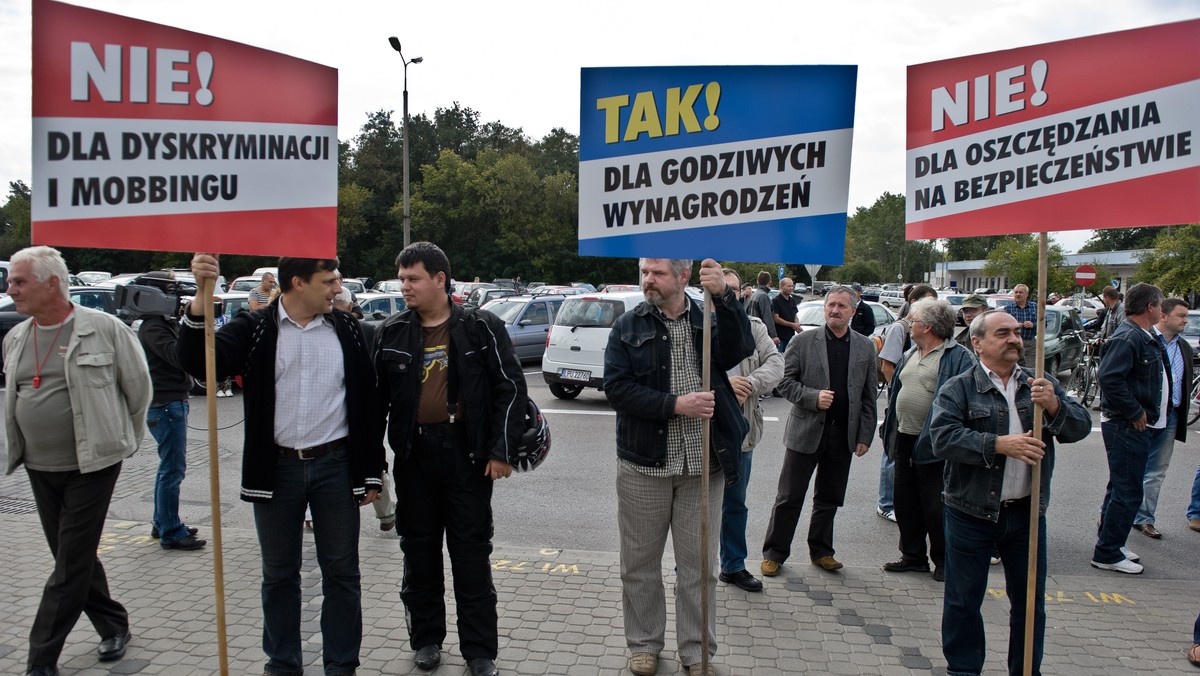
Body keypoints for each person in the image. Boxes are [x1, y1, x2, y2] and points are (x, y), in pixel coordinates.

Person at [179, 254, 383, 676]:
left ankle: (342, 664)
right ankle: (283, 662)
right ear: (297, 283)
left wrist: (371, 470)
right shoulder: (256, 328)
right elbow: (198, 363)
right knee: (278, 575)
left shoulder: (347, 329)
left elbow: (368, 405)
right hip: (276, 470)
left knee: (343, 574)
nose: (337, 290)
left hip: (336, 466)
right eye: (329, 282)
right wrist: (202, 296)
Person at [375, 242, 527, 676]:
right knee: (418, 554)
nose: (404, 286)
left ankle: (479, 652)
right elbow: (374, 404)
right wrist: (373, 465)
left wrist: (500, 451)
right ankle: (426, 641)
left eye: (413, 278)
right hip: (414, 457)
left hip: (467, 455)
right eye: (401, 278)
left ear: (440, 279)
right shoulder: (392, 331)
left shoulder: (481, 327)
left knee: (471, 556)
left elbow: (511, 390)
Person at [4, 246, 151, 676]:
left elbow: (138, 389)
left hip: (93, 465)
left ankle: (41, 660)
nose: (11, 289)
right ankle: (113, 623)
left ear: (52, 283)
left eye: (19, 281)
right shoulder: (16, 335)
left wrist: (120, 439)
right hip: (38, 465)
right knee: (72, 558)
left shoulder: (103, 328)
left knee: (69, 565)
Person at [604, 257, 752, 676]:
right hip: (643, 466)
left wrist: (724, 295)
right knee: (638, 565)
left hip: (704, 464)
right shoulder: (627, 326)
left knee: (699, 567)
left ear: (683, 277)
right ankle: (645, 644)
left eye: (657, 273)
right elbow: (616, 389)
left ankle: (696, 649)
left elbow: (740, 347)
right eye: (644, 273)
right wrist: (675, 405)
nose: (647, 280)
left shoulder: (709, 316)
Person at [930, 310, 1089, 676]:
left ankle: (1026, 670)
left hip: (1028, 514)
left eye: (1017, 332)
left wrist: (1053, 405)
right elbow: (941, 439)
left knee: (1031, 604)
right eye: (1003, 333)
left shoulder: (1040, 383)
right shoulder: (960, 386)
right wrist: (997, 444)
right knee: (963, 601)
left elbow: (1078, 427)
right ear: (978, 342)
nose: (1015, 339)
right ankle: (964, 671)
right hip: (970, 512)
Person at [762, 285, 877, 576]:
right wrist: (813, 398)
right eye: (831, 305)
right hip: (806, 431)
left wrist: (865, 435)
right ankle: (775, 553)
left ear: (853, 310)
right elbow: (784, 383)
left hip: (843, 435)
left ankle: (822, 551)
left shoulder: (865, 346)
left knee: (829, 497)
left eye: (841, 306)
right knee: (789, 497)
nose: (835, 310)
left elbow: (868, 395)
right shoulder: (803, 342)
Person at [878, 299, 974, 582]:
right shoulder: (912, 352)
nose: (910, 324)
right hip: (905, 438)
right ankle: (913, 556)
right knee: (905, 500)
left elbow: (966, 401)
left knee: (936, 505)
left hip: (936, 442)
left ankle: (944, 560)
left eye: (914, 320)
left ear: (928, 327)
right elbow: (897, 390)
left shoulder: (959, 357)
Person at [1092, 282, 1165, 574]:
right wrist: (1135, 411)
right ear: (1150, 306)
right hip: (1126, 424)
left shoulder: (1140, 335)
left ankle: (1111, 542)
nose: (1162, 309)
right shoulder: (1129, 337)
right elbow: (1109, 378)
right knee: (1128, 490)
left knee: (1120, 487)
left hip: (1132, 423)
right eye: (1160, 305)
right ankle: (1107, 552)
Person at [719, 268, 784, 593]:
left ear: (742, 294)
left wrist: (749, 383)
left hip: (741, 433)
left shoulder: (753, 327)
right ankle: (689, 567)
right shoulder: (696, 324)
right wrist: (722, 387)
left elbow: (776, 364)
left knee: (735, 503)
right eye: (720, 290)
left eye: (733, 291)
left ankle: (732, 566)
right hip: (699, 433)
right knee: (695, 505)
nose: (726, 296)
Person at [135, 271, 206, 551]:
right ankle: (171, 532)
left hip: (169, 403)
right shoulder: (153, 326)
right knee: (172, 470)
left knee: (168, 469)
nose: (177, 298)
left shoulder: (161, 323)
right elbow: (179, 356)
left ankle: (163, 522)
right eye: (171, 291)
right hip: (166, 405)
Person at [332, 287, 397, 533]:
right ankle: (387, 512)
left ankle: (386, 512)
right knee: (375, 467)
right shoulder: (364, 330)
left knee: (372, 466)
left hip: (357, 412)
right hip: (355, 415)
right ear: (350, 306)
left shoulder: (361, 330)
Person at [876, 284, 937, 523]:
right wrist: (898, 394)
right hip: (899, 403)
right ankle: (886, 503)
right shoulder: (900, 329)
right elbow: (887, 365)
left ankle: (907, 501)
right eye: (927, 302)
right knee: (893, 452)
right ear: (913, 304)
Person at [1134, 298, 1193, 539]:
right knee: (1130, 470)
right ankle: (1111, 515)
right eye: (1181, 316)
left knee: (1157, 471)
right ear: (1164, 316)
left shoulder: (1184, 347)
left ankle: (1144, 518)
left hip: (1171, 416)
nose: (1185, 320)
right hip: (1143, 416)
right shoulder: (1144, 340)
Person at [1004, 284, 1038, 368]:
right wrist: (1014, 325)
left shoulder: (1035, 307)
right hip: (1013, 342)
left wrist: (1033, 324)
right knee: (1013, 367)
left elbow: (1044, 324)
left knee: (1030, 368)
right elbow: (1002, 326)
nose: (1018, 294)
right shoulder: (1008, 309)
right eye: (1016, 292)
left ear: (1027, 294)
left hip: (1029, 343)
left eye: (1021, 292)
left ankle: (1028, 381)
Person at [747, 271, 778, 346]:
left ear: (757, 281)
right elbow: (767, 317)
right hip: (762, 335)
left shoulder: (754, 295)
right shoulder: (763, 296)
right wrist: (773, 336)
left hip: (753, 332)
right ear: (770, 282)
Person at [772, 277, 801, 354]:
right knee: (779, 359)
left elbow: (795, 315)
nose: (791, 288)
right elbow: (776, 318)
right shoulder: (776, 301)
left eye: (792, 286)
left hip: (791, 337)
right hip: (780, 337)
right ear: (781, 287)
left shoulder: (792, 300)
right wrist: (792, 325)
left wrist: (797, 325)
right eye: (788, 286)